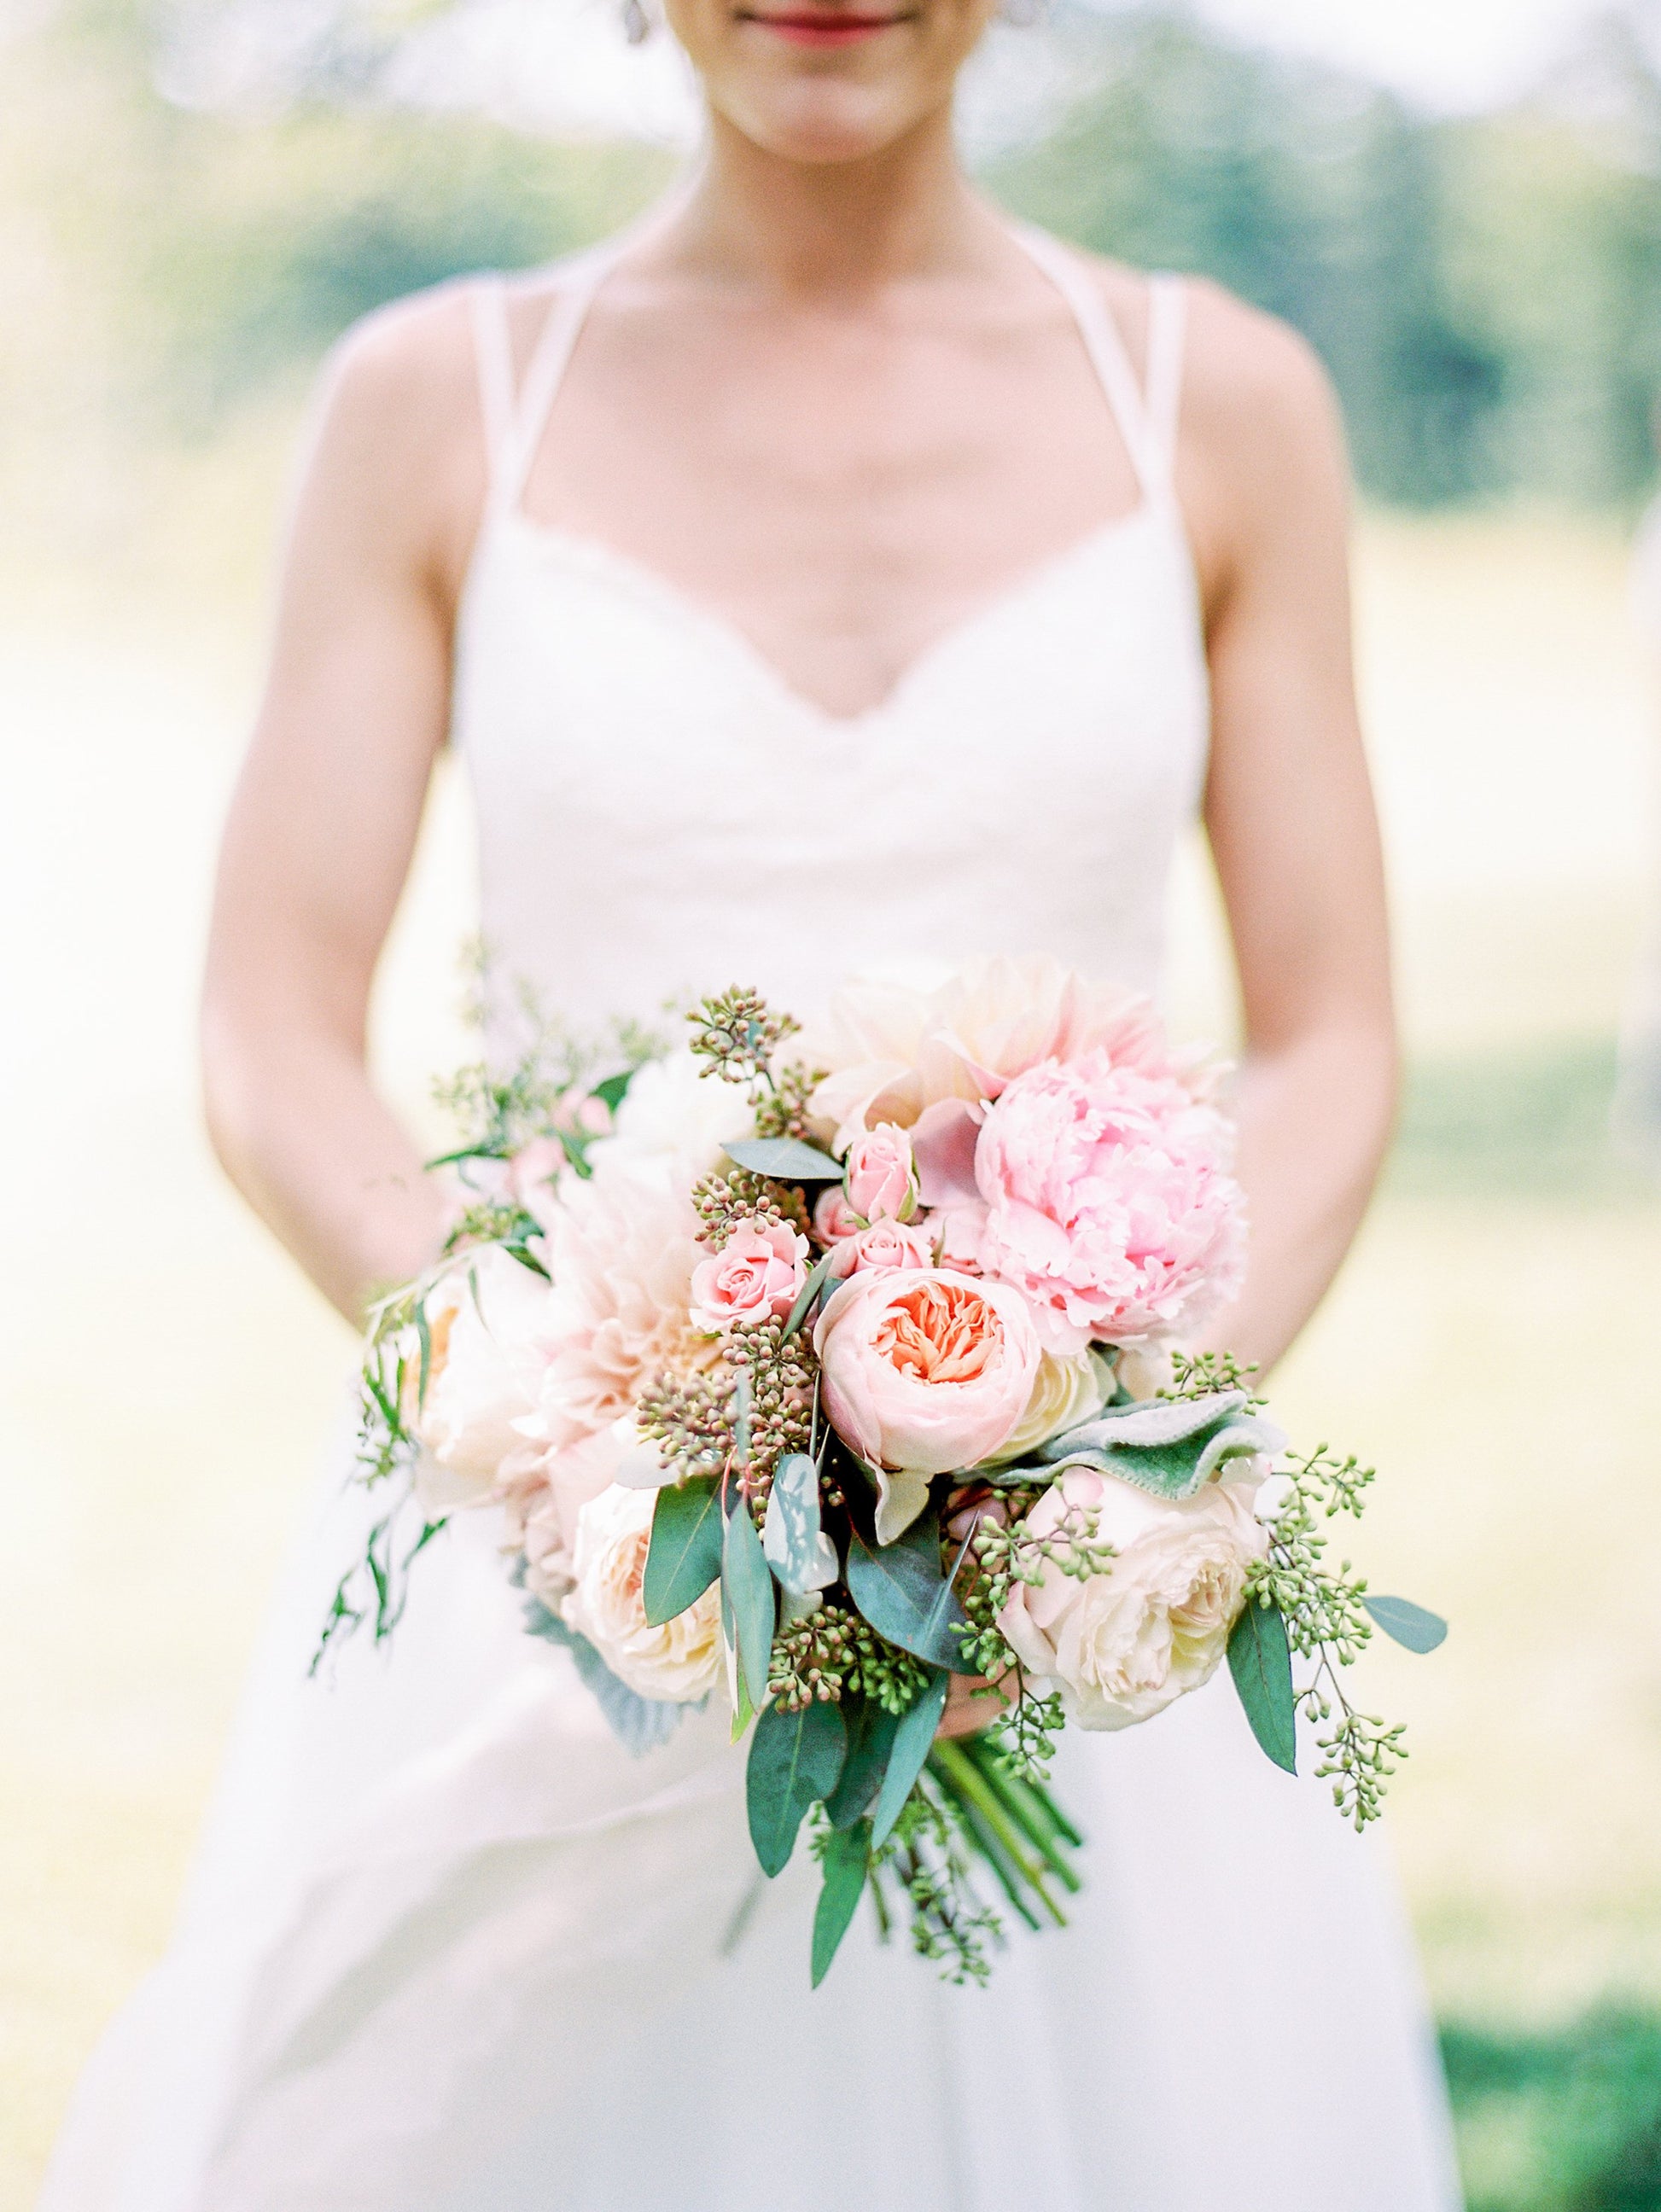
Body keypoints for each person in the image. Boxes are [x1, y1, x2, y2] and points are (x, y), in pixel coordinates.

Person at [38, 0, 1465, 2205]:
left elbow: (1334, 1028)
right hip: (547, 1579)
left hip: (1071, 1624)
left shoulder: (1222, 405)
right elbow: (269, 1029)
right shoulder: (433, 405)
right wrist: (589, 1435)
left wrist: (1072, 1489)